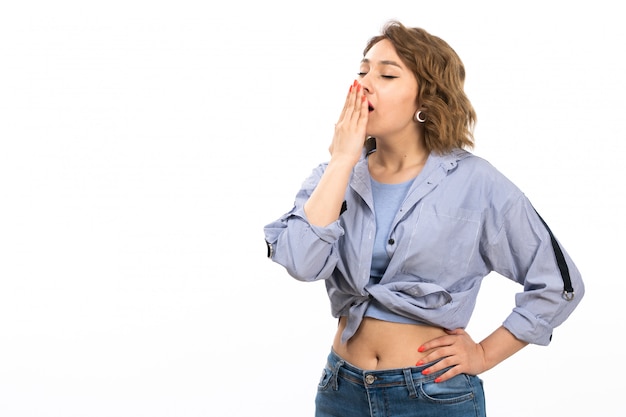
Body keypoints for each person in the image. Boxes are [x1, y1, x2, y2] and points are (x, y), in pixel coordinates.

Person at [263, 20, 584, 417]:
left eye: (386, 74)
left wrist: (483, 353)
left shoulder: (476, 182)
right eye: (362, 71)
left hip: (432, 395)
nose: (364, 83)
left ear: (426, 99)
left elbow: (558, 283)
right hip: (341, 391)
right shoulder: (334, 175)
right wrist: (343, 159)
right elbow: (301, 263)